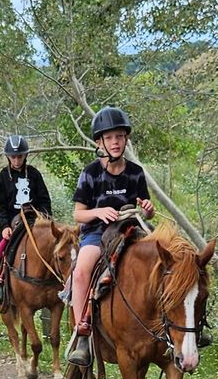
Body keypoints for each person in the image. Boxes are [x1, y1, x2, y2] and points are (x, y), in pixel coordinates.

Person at [66, 107, 155, 365]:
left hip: (131, 231)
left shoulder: (136, 172)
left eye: (119, 136)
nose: (115, 142)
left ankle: (170, 326)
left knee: (166, 260)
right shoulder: (91, 172)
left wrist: (148, 210)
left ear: (125, 139)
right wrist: (98, 211)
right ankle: (82, 331)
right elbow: (78, 215)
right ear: (100, 142)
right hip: (98, 234)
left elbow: (146, 210)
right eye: (109, 138)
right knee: (81, 272)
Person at [0, 134, 54, 305]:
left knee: (54, 246)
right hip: (12, 221)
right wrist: (4, 226)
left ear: (25, 155)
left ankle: (58, 282)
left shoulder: (34, 174)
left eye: (20, 156)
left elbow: (45, 200)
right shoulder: (3, 177)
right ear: (8, 157)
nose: (16, 160)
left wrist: (44, 219)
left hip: (35, 219)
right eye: (13, 156)